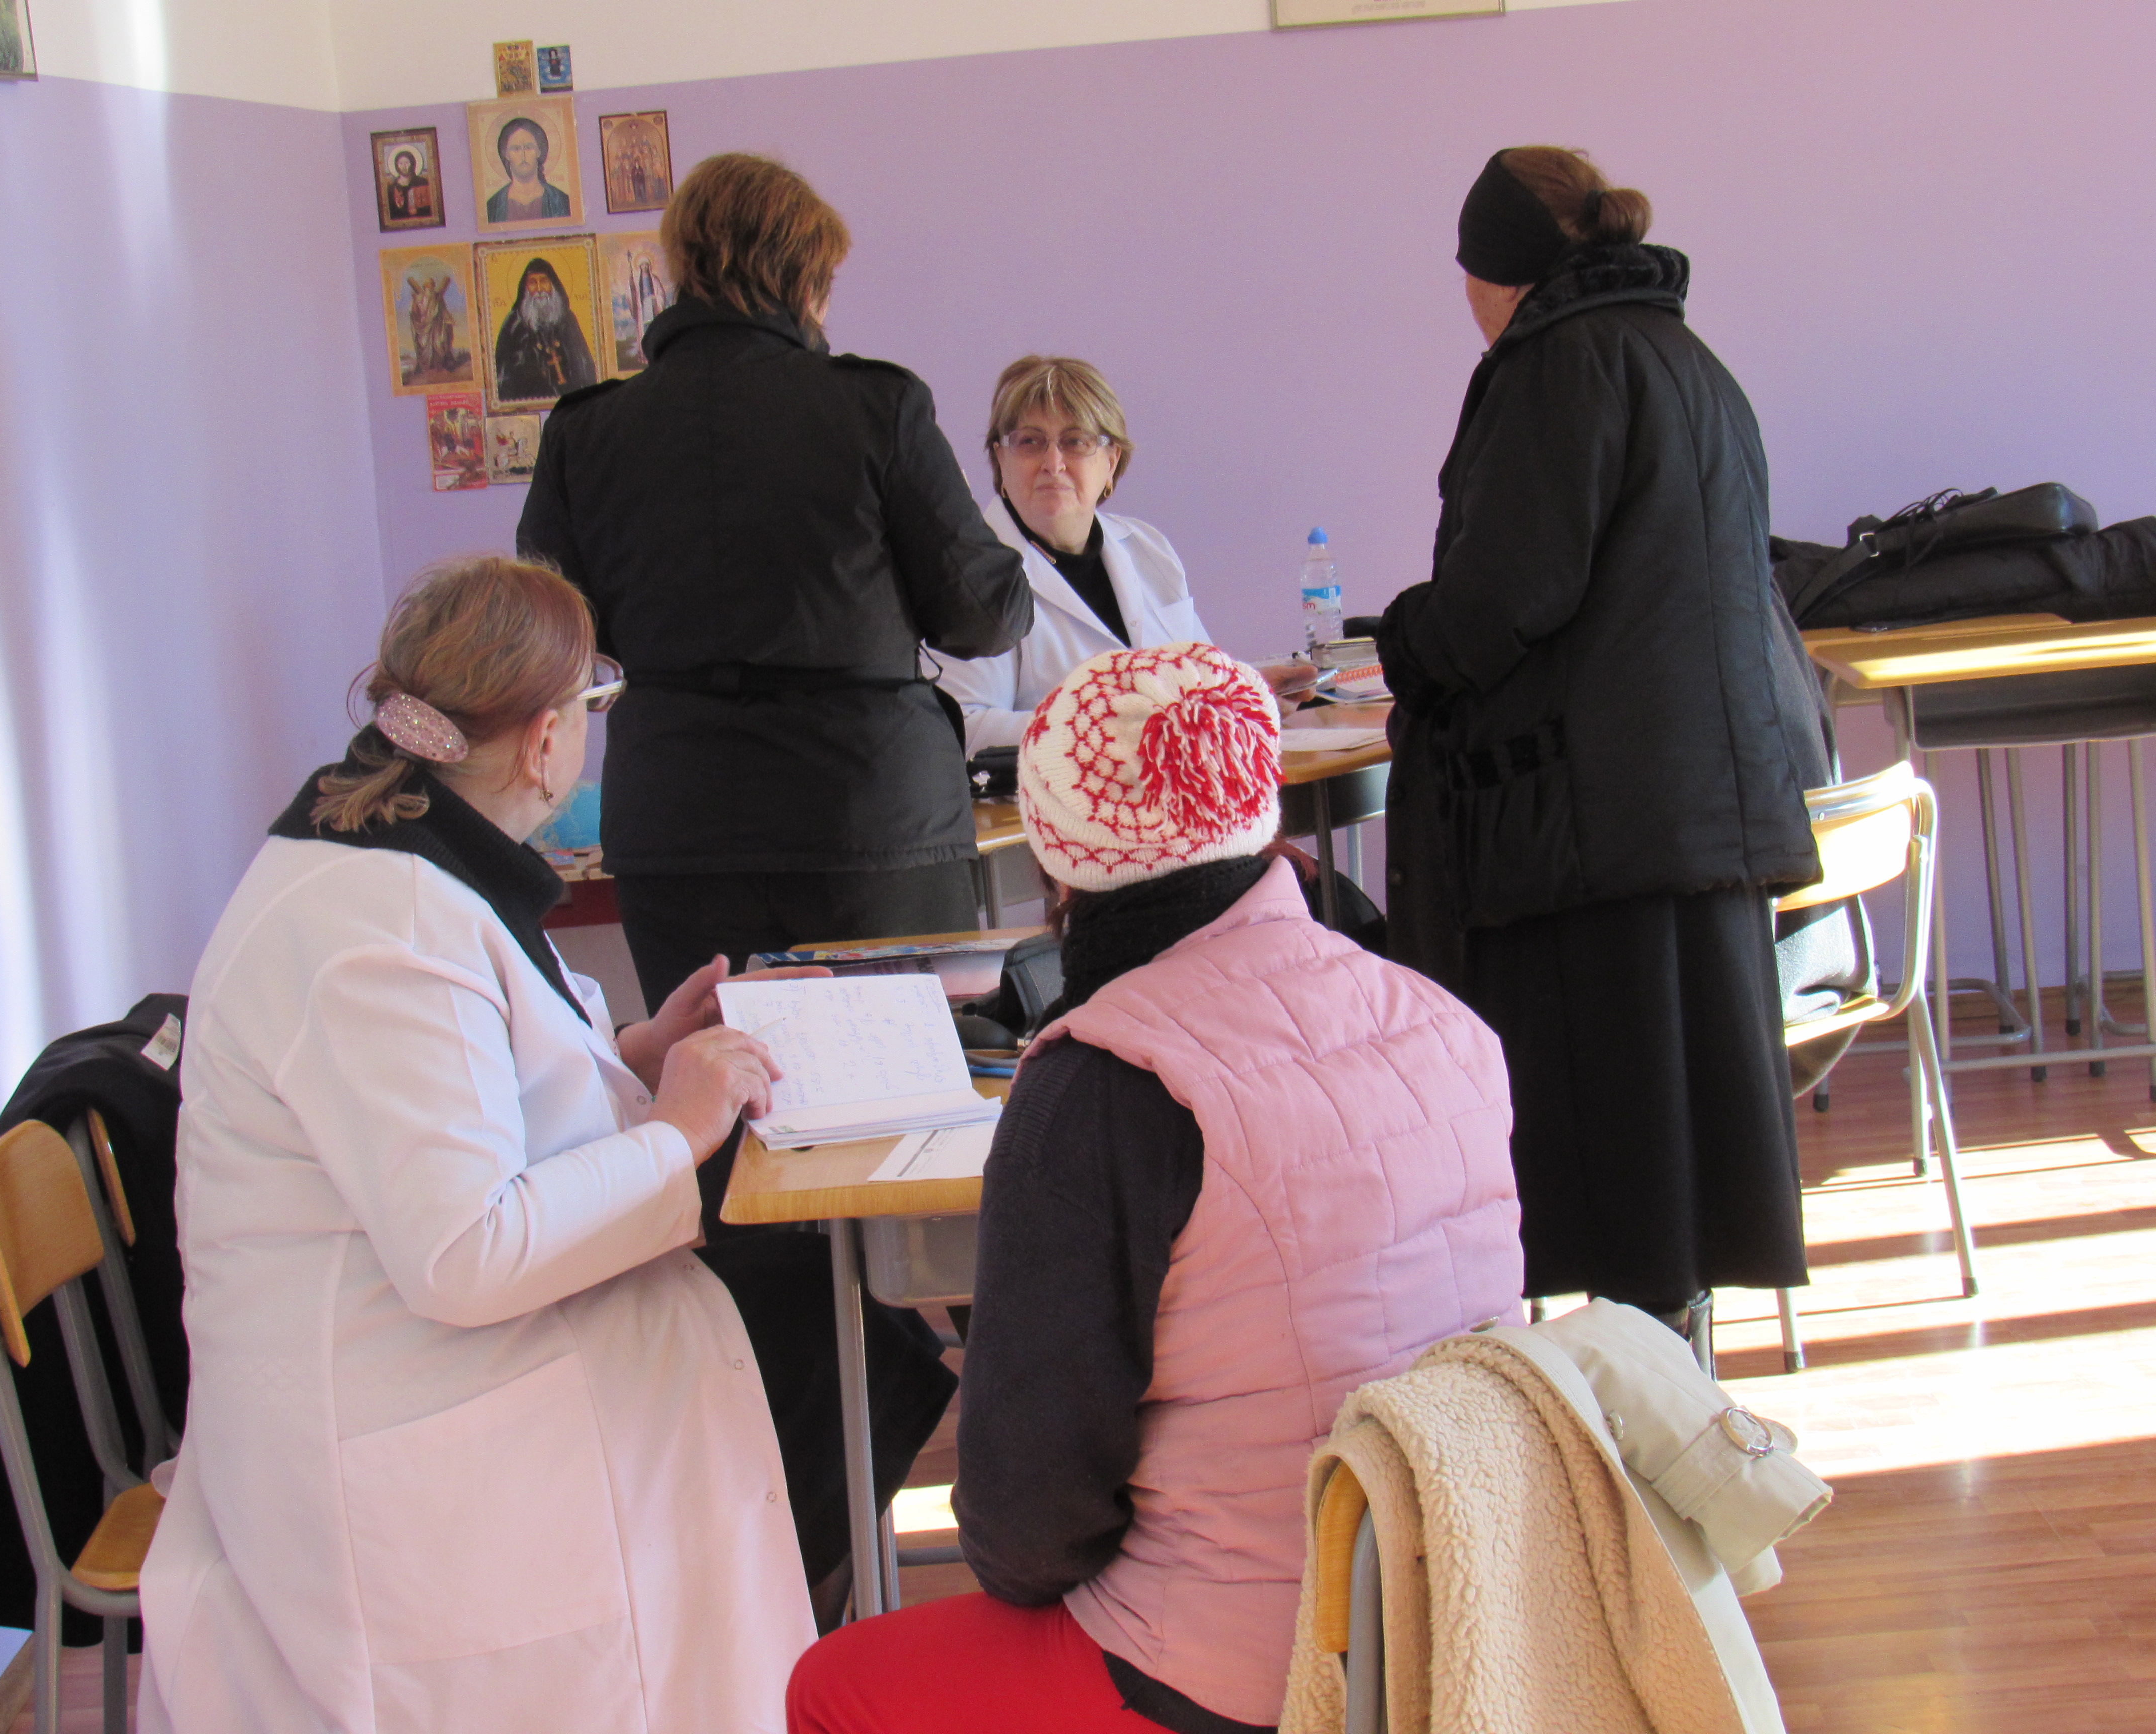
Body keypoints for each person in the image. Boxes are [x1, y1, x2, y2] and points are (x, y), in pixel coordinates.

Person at [785, 644, 1525, 1734]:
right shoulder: (1436, 1017)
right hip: (1456, 1616)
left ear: (1055, 860)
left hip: (1249, 1671)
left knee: (832, 1686)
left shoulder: (1103, 1082)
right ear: (1260, 810)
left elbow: (1025, 1534)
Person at [138, 557, 816, 1733]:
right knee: (799, 1344)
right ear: (550, 738)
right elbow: (463, 1250)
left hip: (423, 1362)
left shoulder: (412, 855)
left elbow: (473, 1093)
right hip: (398, 1444)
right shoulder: (377, 928)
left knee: (801, 1331)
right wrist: (677, 1129)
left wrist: (634, 1055)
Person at [517, 151, 1032, 1622]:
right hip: (868, 822)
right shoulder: (875, 407)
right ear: (810, 272)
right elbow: (982, 607)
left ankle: (778, 1525)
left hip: (681, 814)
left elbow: (563, 625)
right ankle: (910, 1418)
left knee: (737, 1154)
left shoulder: (590, 428)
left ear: (682, 265)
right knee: (902, 1138)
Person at [1373, 147, 1830, 1347]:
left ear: (1495, 273)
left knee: (1616, 1156)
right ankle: (1672, 1406)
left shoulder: (1555, 365)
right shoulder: (1688, 359)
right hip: (1697, 807)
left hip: (1589, 831)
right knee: (1675, 1169)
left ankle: (1619, 1426)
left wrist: (1405, 639)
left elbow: (1506, 594)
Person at [931, 356, 1314, 759]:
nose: (1053, 464)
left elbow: (1198, 682)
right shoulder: (969, 575)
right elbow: (964, 727)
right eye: (1030, 442)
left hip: (1179, 785)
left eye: (1076, 441)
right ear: (1001, 459)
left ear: (1111, 462)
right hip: (1050, 798)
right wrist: (1128, 727)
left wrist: (1246, 694)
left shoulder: (1148, 547)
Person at [492, 257, 596, 403]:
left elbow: (583, 362)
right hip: (532, 398)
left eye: (544, 281)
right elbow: (504, 374)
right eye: (533, 283)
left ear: (553, 285)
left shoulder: (567, 318)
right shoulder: (514, 324)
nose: (540, 289)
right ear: (525, 288)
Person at [484, 114, 570, 222]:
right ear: (506, 154)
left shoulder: (561, 201)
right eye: (516, 149)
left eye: (529, 147)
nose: (523, 155)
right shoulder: (493, 207)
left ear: (539, 151)